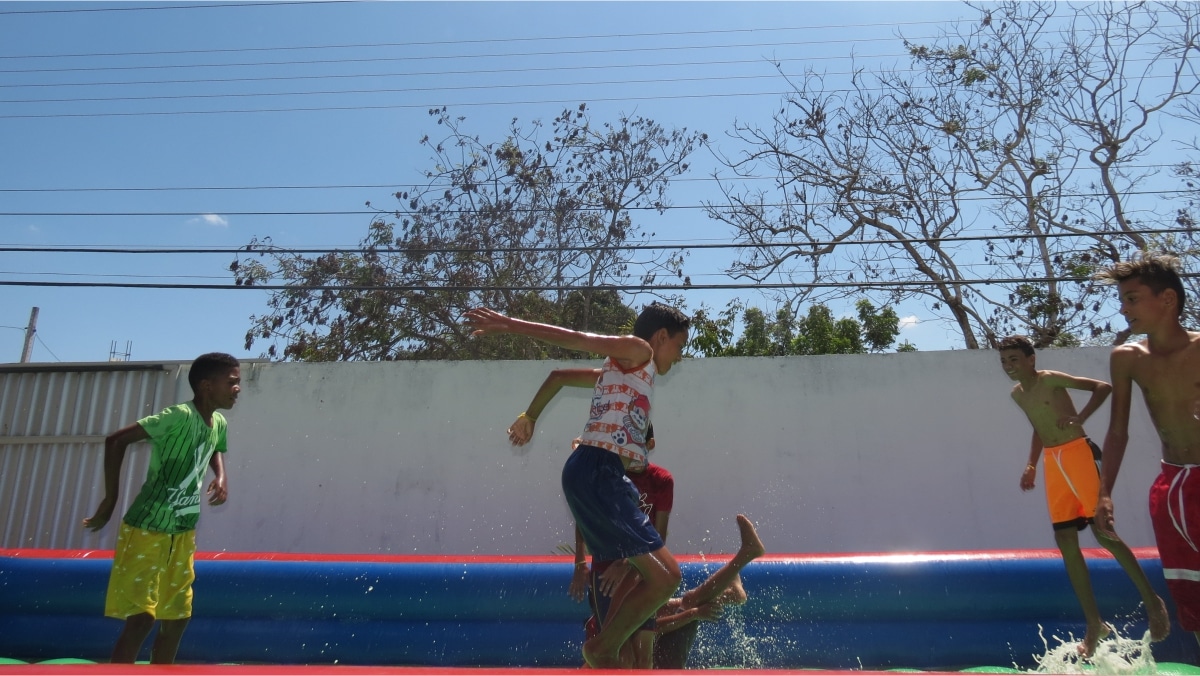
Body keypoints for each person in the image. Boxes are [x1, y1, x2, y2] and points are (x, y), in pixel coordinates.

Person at [466, 303, 690, 668]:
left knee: (647, 578)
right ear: (661, 337)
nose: (679, 357)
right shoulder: (639, 350)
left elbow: (558, 376)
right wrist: (509, 324)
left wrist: (530, 416)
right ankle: (603, 646)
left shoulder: (618, 373)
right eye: (680, 346)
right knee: (666, 578)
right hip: (595, 471)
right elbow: (576, 338)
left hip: (595, 473)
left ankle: (605, 648)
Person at [998, 335, 1169, 655]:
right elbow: (1038, 425)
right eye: (1004, 361)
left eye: (1014, 359)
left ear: (1031, 359)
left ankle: (1152, 601)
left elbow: (1102, 387)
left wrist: (1081, 417)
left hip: (1078, 454)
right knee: (1065, 540)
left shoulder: (1049, 379)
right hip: (1053, 462)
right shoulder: (1018, 395)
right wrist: (1031, 464)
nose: (1009, 366)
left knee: (1104, 532)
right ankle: (1095, 623)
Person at [82, 352, 241, 664]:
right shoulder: (177, 416)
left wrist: (221, 476)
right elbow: (115, 441)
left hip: (182, 533)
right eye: (232, 382)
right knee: (142, 618)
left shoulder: (218, 422)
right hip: (147, 529)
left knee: (178, 617)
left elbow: (214, 448)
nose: (238, 388)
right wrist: (110, 500)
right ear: (207, 386)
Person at [1095, 254, 1200, 645]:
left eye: (1133, 298)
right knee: (1193, 601)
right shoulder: (1127, 358)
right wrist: (1105, 491)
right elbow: (1117, 431)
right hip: (1174, 489)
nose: (1123, 309)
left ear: (1168, 299)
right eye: (1123, 300)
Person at [651, 514, 765, 669]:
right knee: (690, 602)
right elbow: (649, 628)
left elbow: (648, 620)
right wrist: (694, 613)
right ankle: (742, 562)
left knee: (686, 601)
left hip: (656, 658)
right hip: (659, 667)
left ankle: (731, 590)